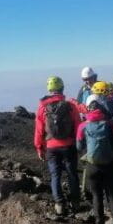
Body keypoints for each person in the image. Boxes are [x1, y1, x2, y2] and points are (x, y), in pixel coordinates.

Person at [76, 94, 113, 224]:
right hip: (110, 164)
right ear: (101, 106)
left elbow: (78, 146)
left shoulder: (83, 125)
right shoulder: (110, 123)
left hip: (92, 166)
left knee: (97, 196)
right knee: (112, 195)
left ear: (88, 107)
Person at [34, 76, 81, 215]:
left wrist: (39, 147)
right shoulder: (70, 106)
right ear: (62, 88)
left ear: (49, 89)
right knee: (72, 175)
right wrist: (78, 143)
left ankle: (59, 204)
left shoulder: (43, 108)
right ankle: (75, 203)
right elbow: (78, 125)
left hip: (51, 147)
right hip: (69, 146)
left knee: (55, 176)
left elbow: (39, 130)